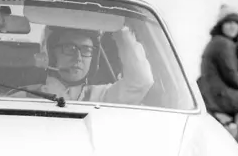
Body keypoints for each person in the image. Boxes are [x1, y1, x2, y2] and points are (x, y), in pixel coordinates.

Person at [12, 23, 154, 105]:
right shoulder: (23, 98)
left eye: (86, 50)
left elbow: (141, 81)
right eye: (69, 48)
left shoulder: (102, 97)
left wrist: (120, 28)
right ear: (51, 53)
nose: (78, 57)